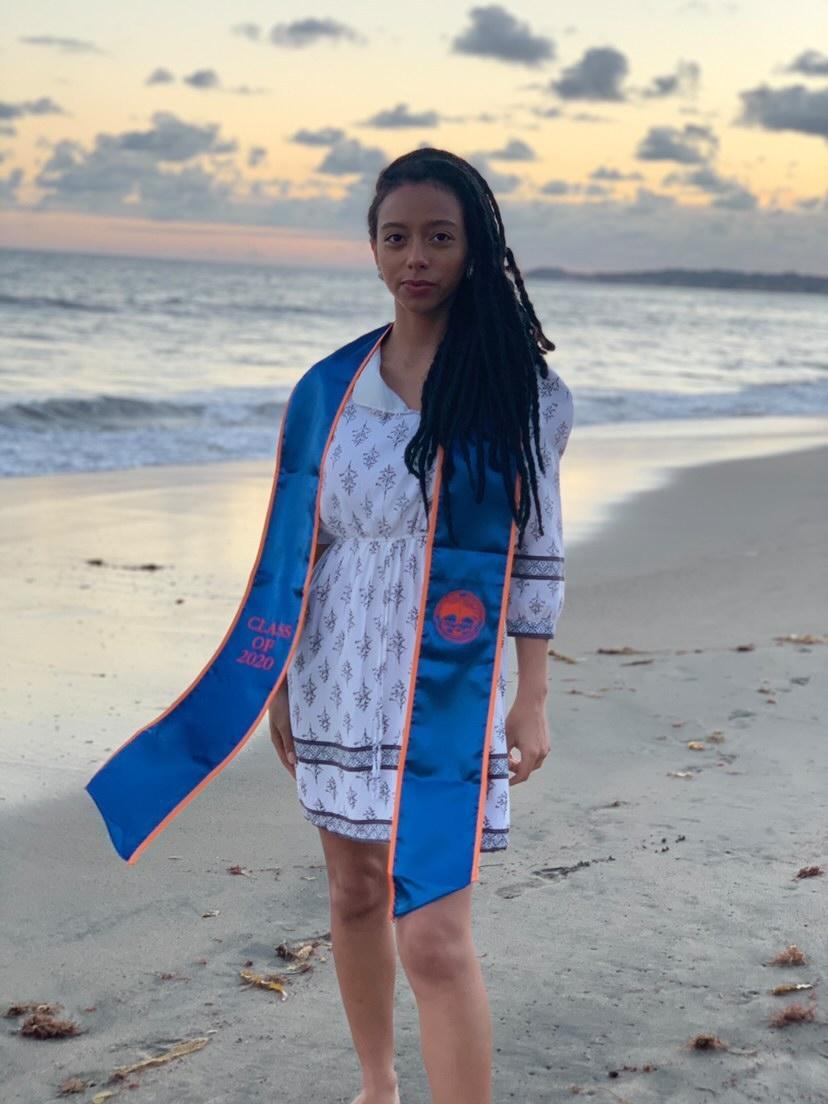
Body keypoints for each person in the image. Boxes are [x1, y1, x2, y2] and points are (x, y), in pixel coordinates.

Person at [268, 147, 574, 1104]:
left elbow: (536, 552)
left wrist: (533, 696)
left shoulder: (522, 393)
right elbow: (297, 550)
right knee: (354, 895)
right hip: (335, 674)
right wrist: (274, 678)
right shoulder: (330, 390)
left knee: (435, 937)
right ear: (372, 246)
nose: (417, 257)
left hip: (447, 682)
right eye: (396, 237)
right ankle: (377, 1085)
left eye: (440, 237)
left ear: (475, 249)